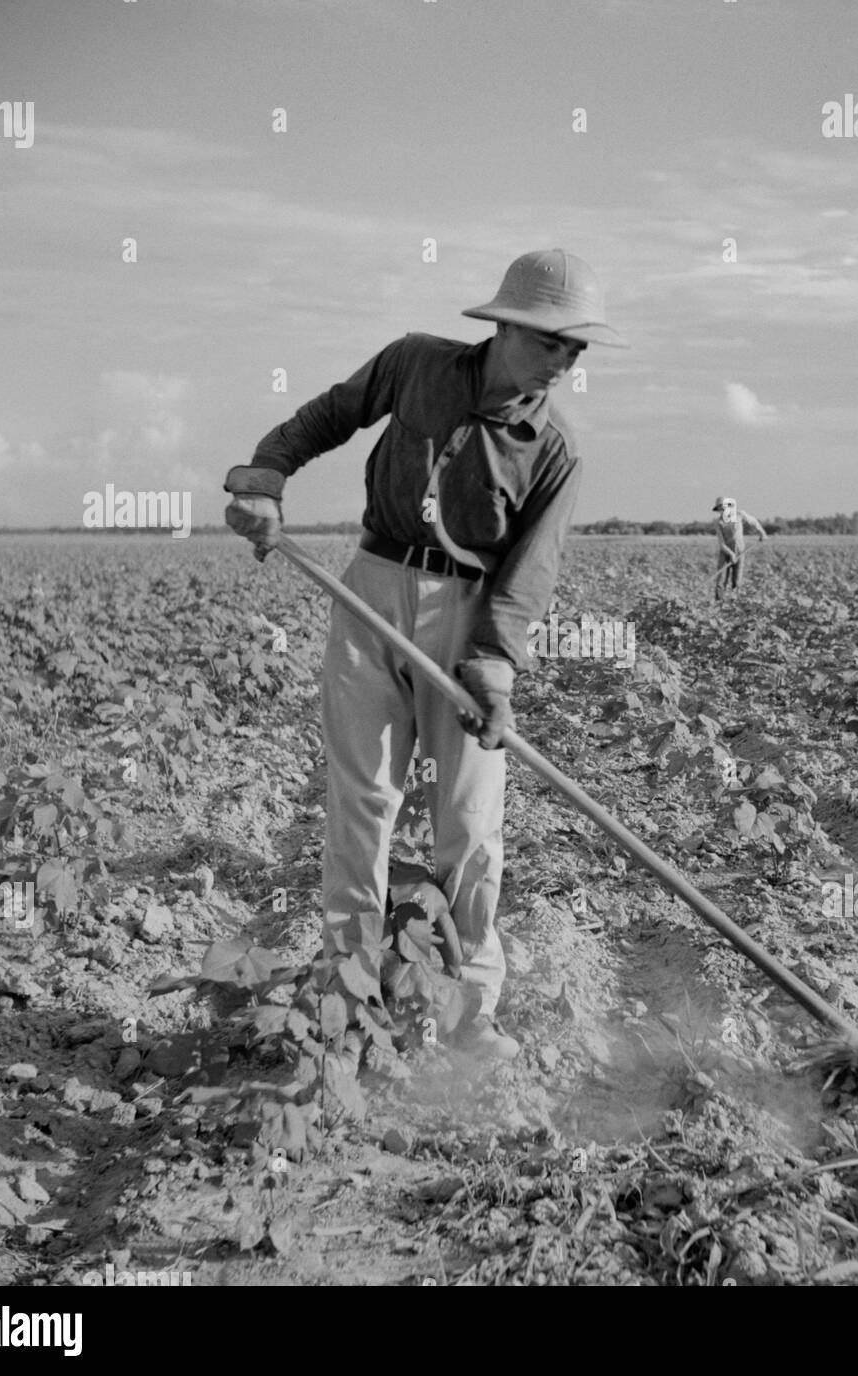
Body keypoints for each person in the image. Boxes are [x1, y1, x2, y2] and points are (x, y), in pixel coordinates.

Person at [223, 249, 627, 1061]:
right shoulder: (414, 364)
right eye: (555, 342)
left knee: (470, 819)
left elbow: (529, 571)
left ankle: (473, 1010)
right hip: (371, 591)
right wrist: (265, 476)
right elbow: (327, 416)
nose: (566, 361)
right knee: (363, 801)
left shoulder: (553, 448)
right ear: (507, 326)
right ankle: (349, 993)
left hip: (467, 616)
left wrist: (495, 662)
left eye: (576, 349)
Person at [712, 496, 766, 599]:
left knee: (737, 581)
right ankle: (718, 604)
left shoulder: (739, 514)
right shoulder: (718, 522)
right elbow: (721, 543)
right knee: (721, 580)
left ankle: (735, 605)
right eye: (720, 509)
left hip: (740, 551)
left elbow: (753, 522)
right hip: (725, 552)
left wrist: (761, 532)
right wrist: (731, 554)